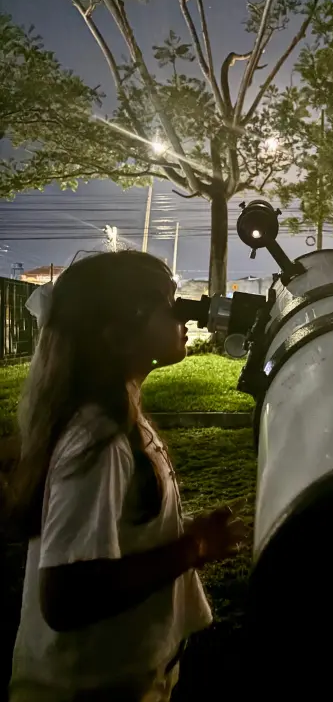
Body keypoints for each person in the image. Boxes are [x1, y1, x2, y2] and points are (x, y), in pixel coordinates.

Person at [8, 251, 244, 701]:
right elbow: (67, 595)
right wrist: (191, 548)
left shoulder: (120, 418)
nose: (186, 313)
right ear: (115, 336)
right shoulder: (99, 439)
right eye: (167, 304)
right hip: (88, 689)